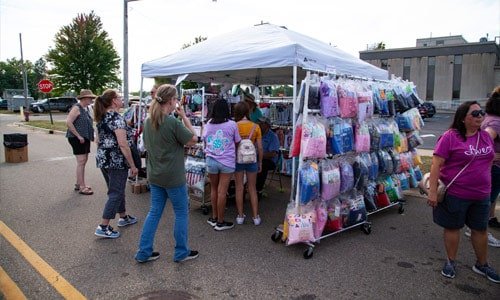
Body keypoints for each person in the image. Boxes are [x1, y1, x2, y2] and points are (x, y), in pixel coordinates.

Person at [428, 101, 499, 283]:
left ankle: (482, 264)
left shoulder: (485, 136)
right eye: (475, 114)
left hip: (481, 194)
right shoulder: (450, 137)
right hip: (456, 193)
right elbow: (436, 164)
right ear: (463, 118)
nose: (480, 116)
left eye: (481, 113)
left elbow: (489, 160)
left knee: (480, 230)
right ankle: (451, 261)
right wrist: (433, 192)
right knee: (453, 228)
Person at [135, 84, 199, 263]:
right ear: (171, 101)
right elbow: (194, 139)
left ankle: (143, 251)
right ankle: (181, 252)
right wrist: (185, 118)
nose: (177, 101)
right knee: (181, 213)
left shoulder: (149, 121)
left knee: (154, 212)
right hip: (173, 176)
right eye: (176, 98)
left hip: (155, 175)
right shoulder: (171, 122)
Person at [93, 89, 138, 239]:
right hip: (117, 160)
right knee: (116, 192)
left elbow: (98, 140)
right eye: (119, 97)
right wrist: (132, 165)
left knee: (115, 190)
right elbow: (123, 145)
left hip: (104, 159)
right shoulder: (117, 119)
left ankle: (123, 216)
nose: (122, 100)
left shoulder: (102, 117)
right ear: (113, 101)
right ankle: (103, 226)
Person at [203, 99, 241, 231]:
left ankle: (214, 218)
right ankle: (220, 222)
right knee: (222, 192)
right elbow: (237, 142)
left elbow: (205, 140)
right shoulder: (232, 124)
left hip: (211, 160)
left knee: (213, 189)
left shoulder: (208, 124)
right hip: (227, 161)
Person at [233, 101, 263, 225]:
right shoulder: (256, 127)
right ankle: (255, 217)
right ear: (248, 112)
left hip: (238, 160)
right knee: (252, 188)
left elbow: (233, 145)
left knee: (239, 187)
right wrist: (260, 162)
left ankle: (240, 216)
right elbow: (260, 147)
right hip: (252, 160)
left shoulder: (234, 126)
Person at [66, 89, 96, 195]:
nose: (92, 99)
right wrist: (78, 136)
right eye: (90, 98)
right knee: (81, 161)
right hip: (77, 138)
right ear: (84, 98)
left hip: (84, 138)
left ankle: (79, 183)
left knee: (83, 161)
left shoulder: (86, 108)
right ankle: (82, 187)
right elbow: (69, 122)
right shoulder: (76, 108)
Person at [482, 86, 500, 229]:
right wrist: (491, 155)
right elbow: (484, 141)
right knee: (488, 198)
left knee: (491, 196)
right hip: (494, 167)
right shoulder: (496, 122)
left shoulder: (491, 118)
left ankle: (490, 218)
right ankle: (479, 229)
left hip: (492, 167)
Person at [256, 116, 280, 199]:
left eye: (261, 123)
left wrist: (259, 155)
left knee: (263, 165)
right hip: (257, 158)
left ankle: (258, 190)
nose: (258, 124)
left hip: (269, 160)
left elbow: (272, 154)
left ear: (267, 125)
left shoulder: (273, 137)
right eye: (258, 122)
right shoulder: (256, 133)